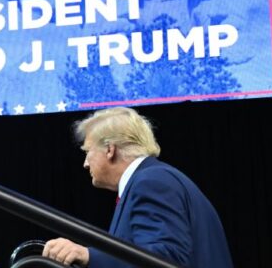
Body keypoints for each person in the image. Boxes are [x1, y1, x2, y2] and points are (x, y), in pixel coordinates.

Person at [42, 107, 232, 267]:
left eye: (88, 151)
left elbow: (164, 258)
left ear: (110, 149)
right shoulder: (151, 179)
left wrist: (87, 255)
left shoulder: (151, 182)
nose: (85, 163)